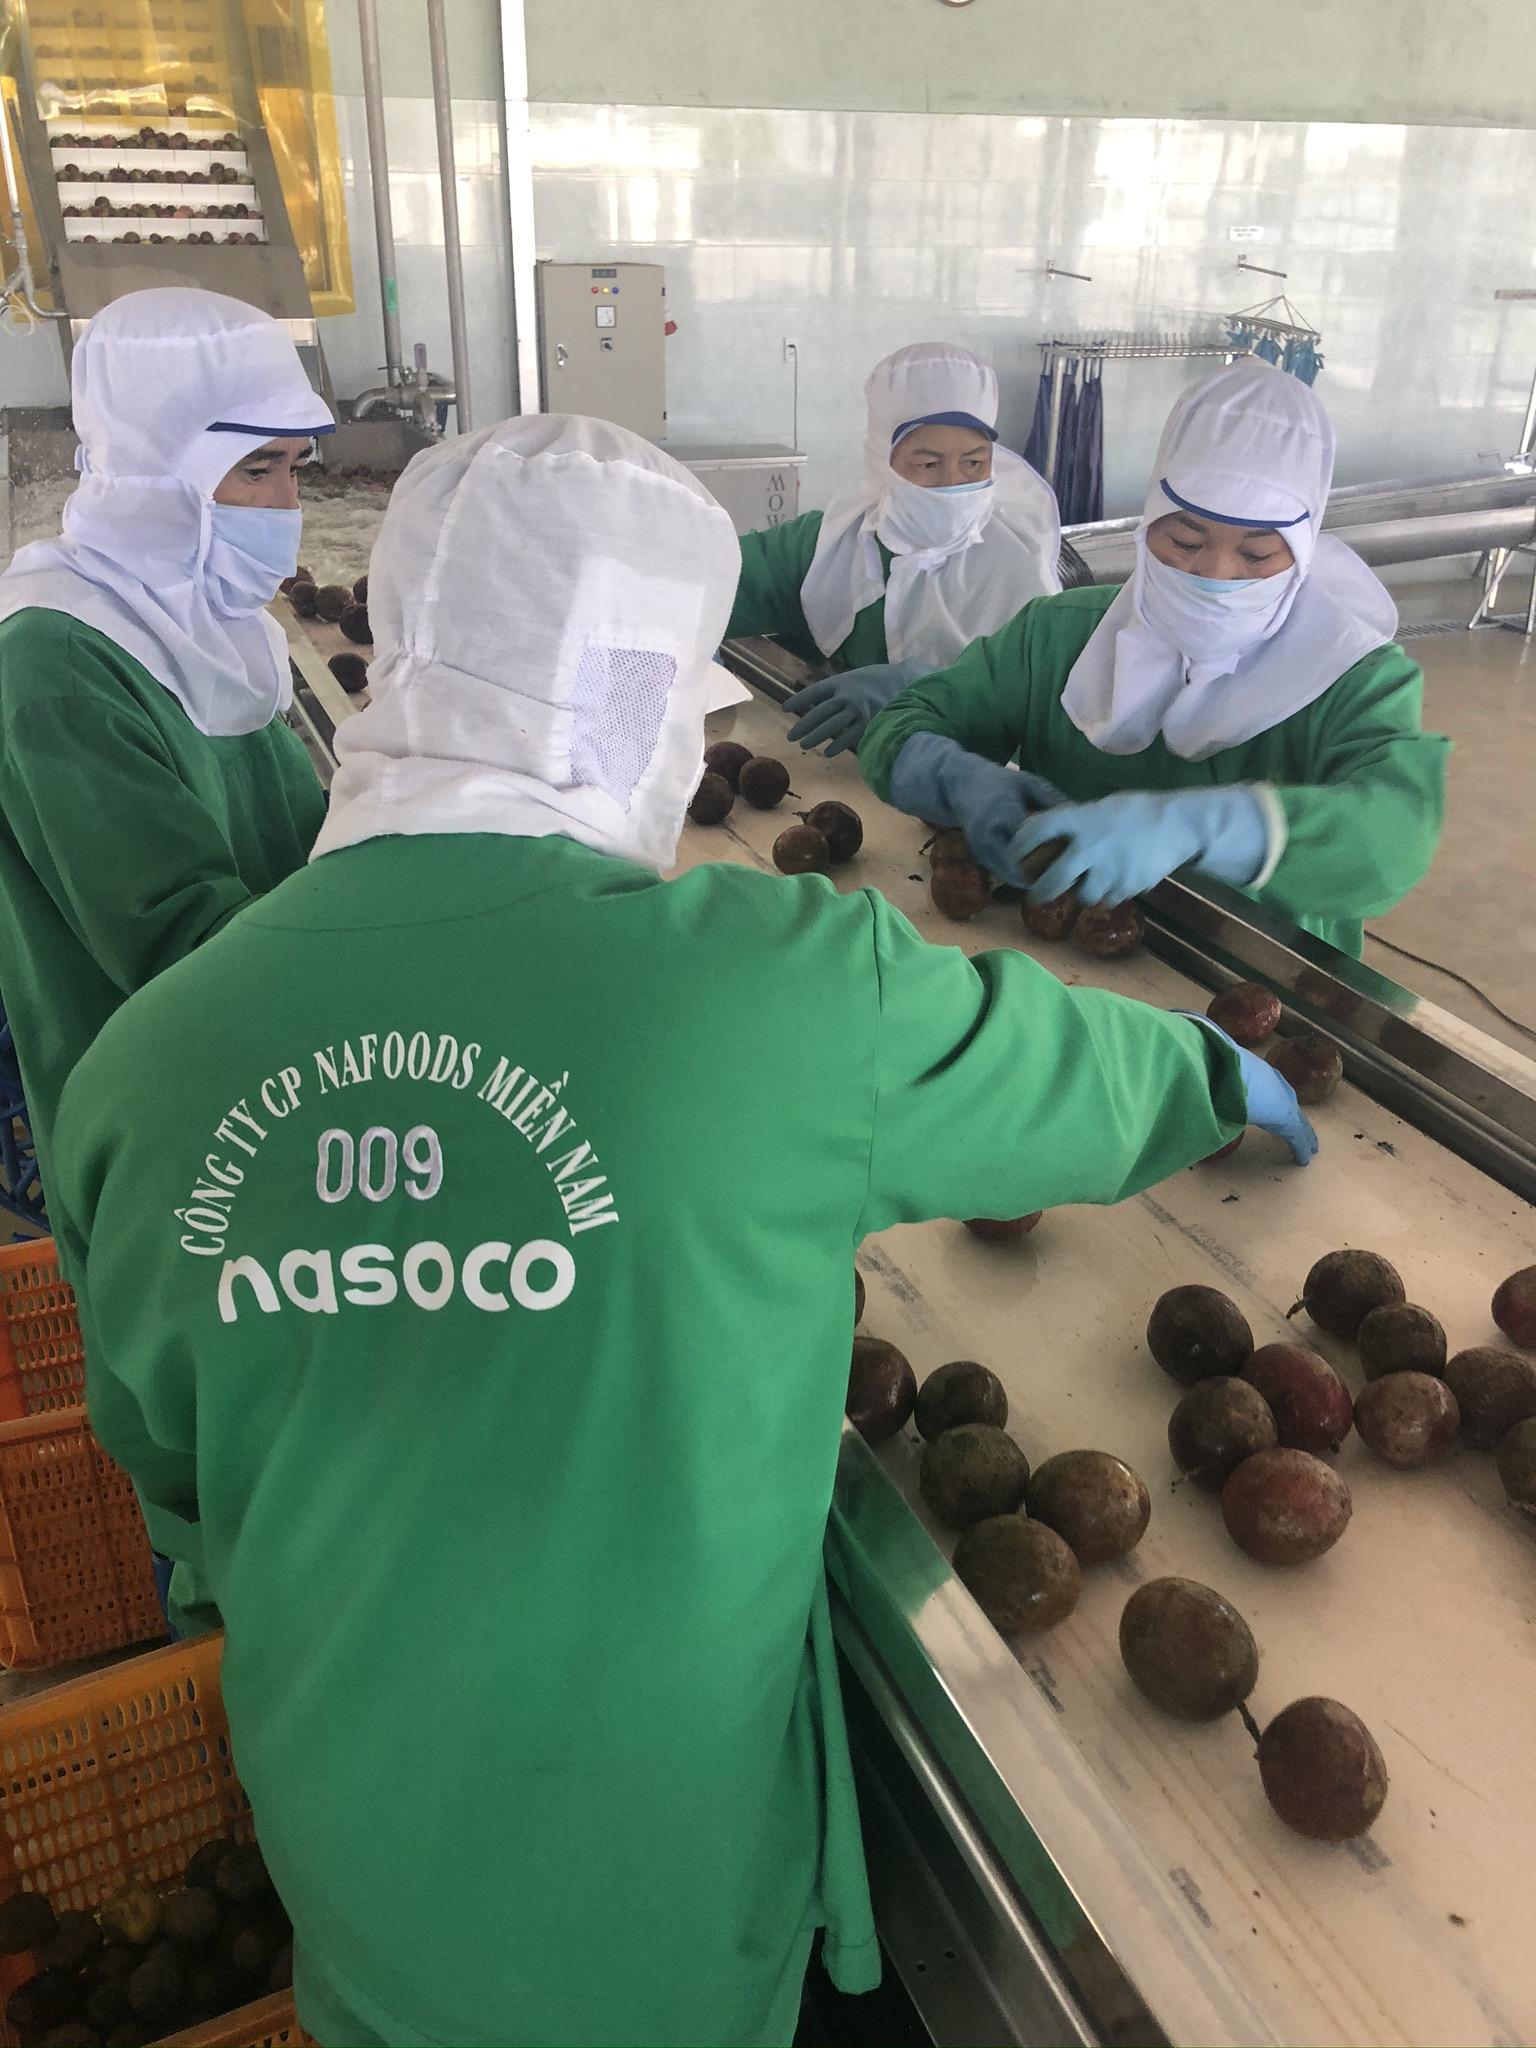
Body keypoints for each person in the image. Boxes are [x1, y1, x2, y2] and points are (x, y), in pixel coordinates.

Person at [49, 415, 1312, 2048]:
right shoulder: (763, 987)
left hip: (347, 1822)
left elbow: (170, 1469)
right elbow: (1058, 1070)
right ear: (645, 690)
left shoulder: (149, 1059)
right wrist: (1221, 1073)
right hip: (657, 1869)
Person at [859, 359, 1450, 956]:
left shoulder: (1353, 677)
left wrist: (1206, 827)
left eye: (1257, 555)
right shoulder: (1061, 636)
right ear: (1147, 526)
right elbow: (908, 722)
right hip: (1055, 967)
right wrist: (957, 777)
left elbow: (1393, 835)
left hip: (1254, 973)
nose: (1215, 575)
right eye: (1186, 541)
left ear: (1302, 550)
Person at [0, 285, 334, 1190]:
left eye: (298, 470)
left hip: (293, 1073)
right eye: (258, 471)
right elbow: (184, 946)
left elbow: (292, 837)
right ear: (157, 470)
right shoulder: (58, 664)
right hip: (173, 1133)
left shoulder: (216, 617)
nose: (285, 506)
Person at [726, 341, 1061, 757]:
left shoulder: (1019, 567)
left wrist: (939, 691)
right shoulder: (832, 548)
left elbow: (1046, 707)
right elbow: (711, 577)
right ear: (881, 459)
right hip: (852, 777)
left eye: (974, 463)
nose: (953, 483)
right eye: (928, 464)